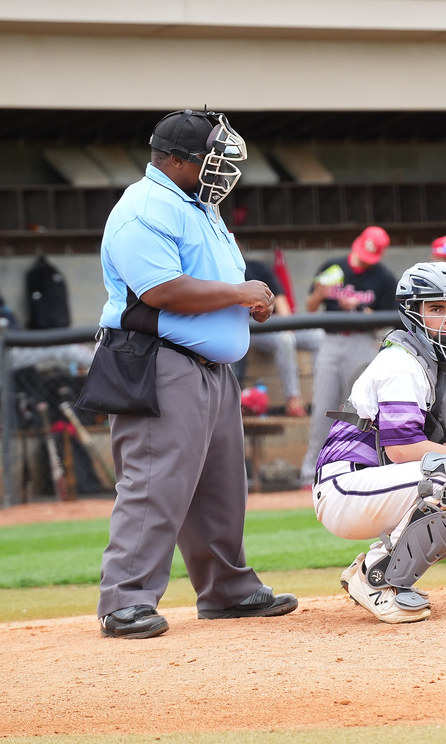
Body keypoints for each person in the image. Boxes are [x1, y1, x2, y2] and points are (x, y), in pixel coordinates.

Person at [95, 108, 298, 638]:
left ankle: (227, 591)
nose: (224, 168)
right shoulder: (145, 207)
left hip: (211, 367)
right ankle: (125, 601)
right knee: (154, 483)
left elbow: (210, 283)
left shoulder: (197, 205)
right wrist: (240, 293)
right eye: (213, 158)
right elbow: (162, 291)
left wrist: (248, 302)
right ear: (178, 160)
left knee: (220, 488)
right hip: (160, 361)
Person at [312, 261, 446, 623]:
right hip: (346, 486)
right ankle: (377, 579)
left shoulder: (443, 368)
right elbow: (403, 449)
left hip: (378, 482)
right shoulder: (401, 363)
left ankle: (384, 565)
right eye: (436, 309)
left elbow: (431, 454)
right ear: (413, 313)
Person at [299, 226, 398, 484]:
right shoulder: (334, 266)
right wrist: (320, 293)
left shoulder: (384, 277)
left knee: (359, 408)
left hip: (362, 340)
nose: (364, 260)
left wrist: (360, 307)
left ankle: (353, 469)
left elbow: (385, 322)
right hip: (331, 341)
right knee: (324, 406)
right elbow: (310, 308)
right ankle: (311, 472)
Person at [240, 256, 323, 416]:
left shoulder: (256, 266)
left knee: (319, 336)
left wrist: (287, 325)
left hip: (273, 324)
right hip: (247, 327)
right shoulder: (222, 270)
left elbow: (279, 298)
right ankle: (292, 398)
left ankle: (322, 395)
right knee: (285, 339)